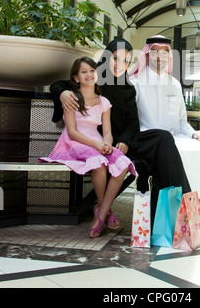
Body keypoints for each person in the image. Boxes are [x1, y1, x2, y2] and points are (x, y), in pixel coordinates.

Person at [50, 39, 191, 224]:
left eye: (126, 61)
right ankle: (176, 212)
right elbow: (59, 84)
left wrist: (125, 141)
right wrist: (61, 92)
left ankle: (179, 205)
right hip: (99, 142)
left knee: (163, 138)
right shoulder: (97, 77)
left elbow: (132, 123)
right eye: (115, 59)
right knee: (158, 154)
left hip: (123, 143)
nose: (120, 65)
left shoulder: (128, 88)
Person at [129, 35, 200, 222]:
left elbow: (182, 122)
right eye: (154, 52)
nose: (159, 57)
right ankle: (184, 209)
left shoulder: (174, 85)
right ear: (147, 55)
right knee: (170, 147)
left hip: (174, 137)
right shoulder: (135, 83)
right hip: (148, 140)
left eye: (164, 52)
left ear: (169, 56)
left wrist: (193, 133)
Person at [40, 57, 137, 239]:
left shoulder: (104, 102)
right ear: (76, 78)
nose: (89, 74)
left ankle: (101, 210)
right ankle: (104, 211)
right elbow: (72, 131)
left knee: (123, 163)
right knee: (98, 163)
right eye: (83, 71)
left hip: (98, 140)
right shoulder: (72, 98)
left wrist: (107, 145)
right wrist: (96, 145)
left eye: (92, 70)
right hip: (75, 140)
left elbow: (107, 132)